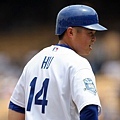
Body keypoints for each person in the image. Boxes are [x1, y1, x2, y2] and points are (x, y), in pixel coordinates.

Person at [8, 4, 107, 120]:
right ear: (71, 32)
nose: (94, 39)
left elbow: (16, 108)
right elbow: (89, 109)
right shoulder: (78, 63)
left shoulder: (34, 61)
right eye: (90, 33)